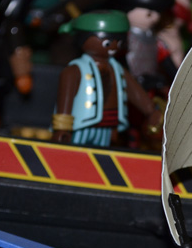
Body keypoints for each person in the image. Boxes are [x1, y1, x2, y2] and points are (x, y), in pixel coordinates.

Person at [51, 10, 158, 147]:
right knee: (76, 151)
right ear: (82, 39)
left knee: (102, 153)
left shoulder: (117, 69)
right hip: (81, 125)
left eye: (119, 43)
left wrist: (150, 110)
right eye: (107, 43)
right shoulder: (74, 70)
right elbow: (65, 101)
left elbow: (134, 91)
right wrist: (62, 128)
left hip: (109, 125)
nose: (113, 47)